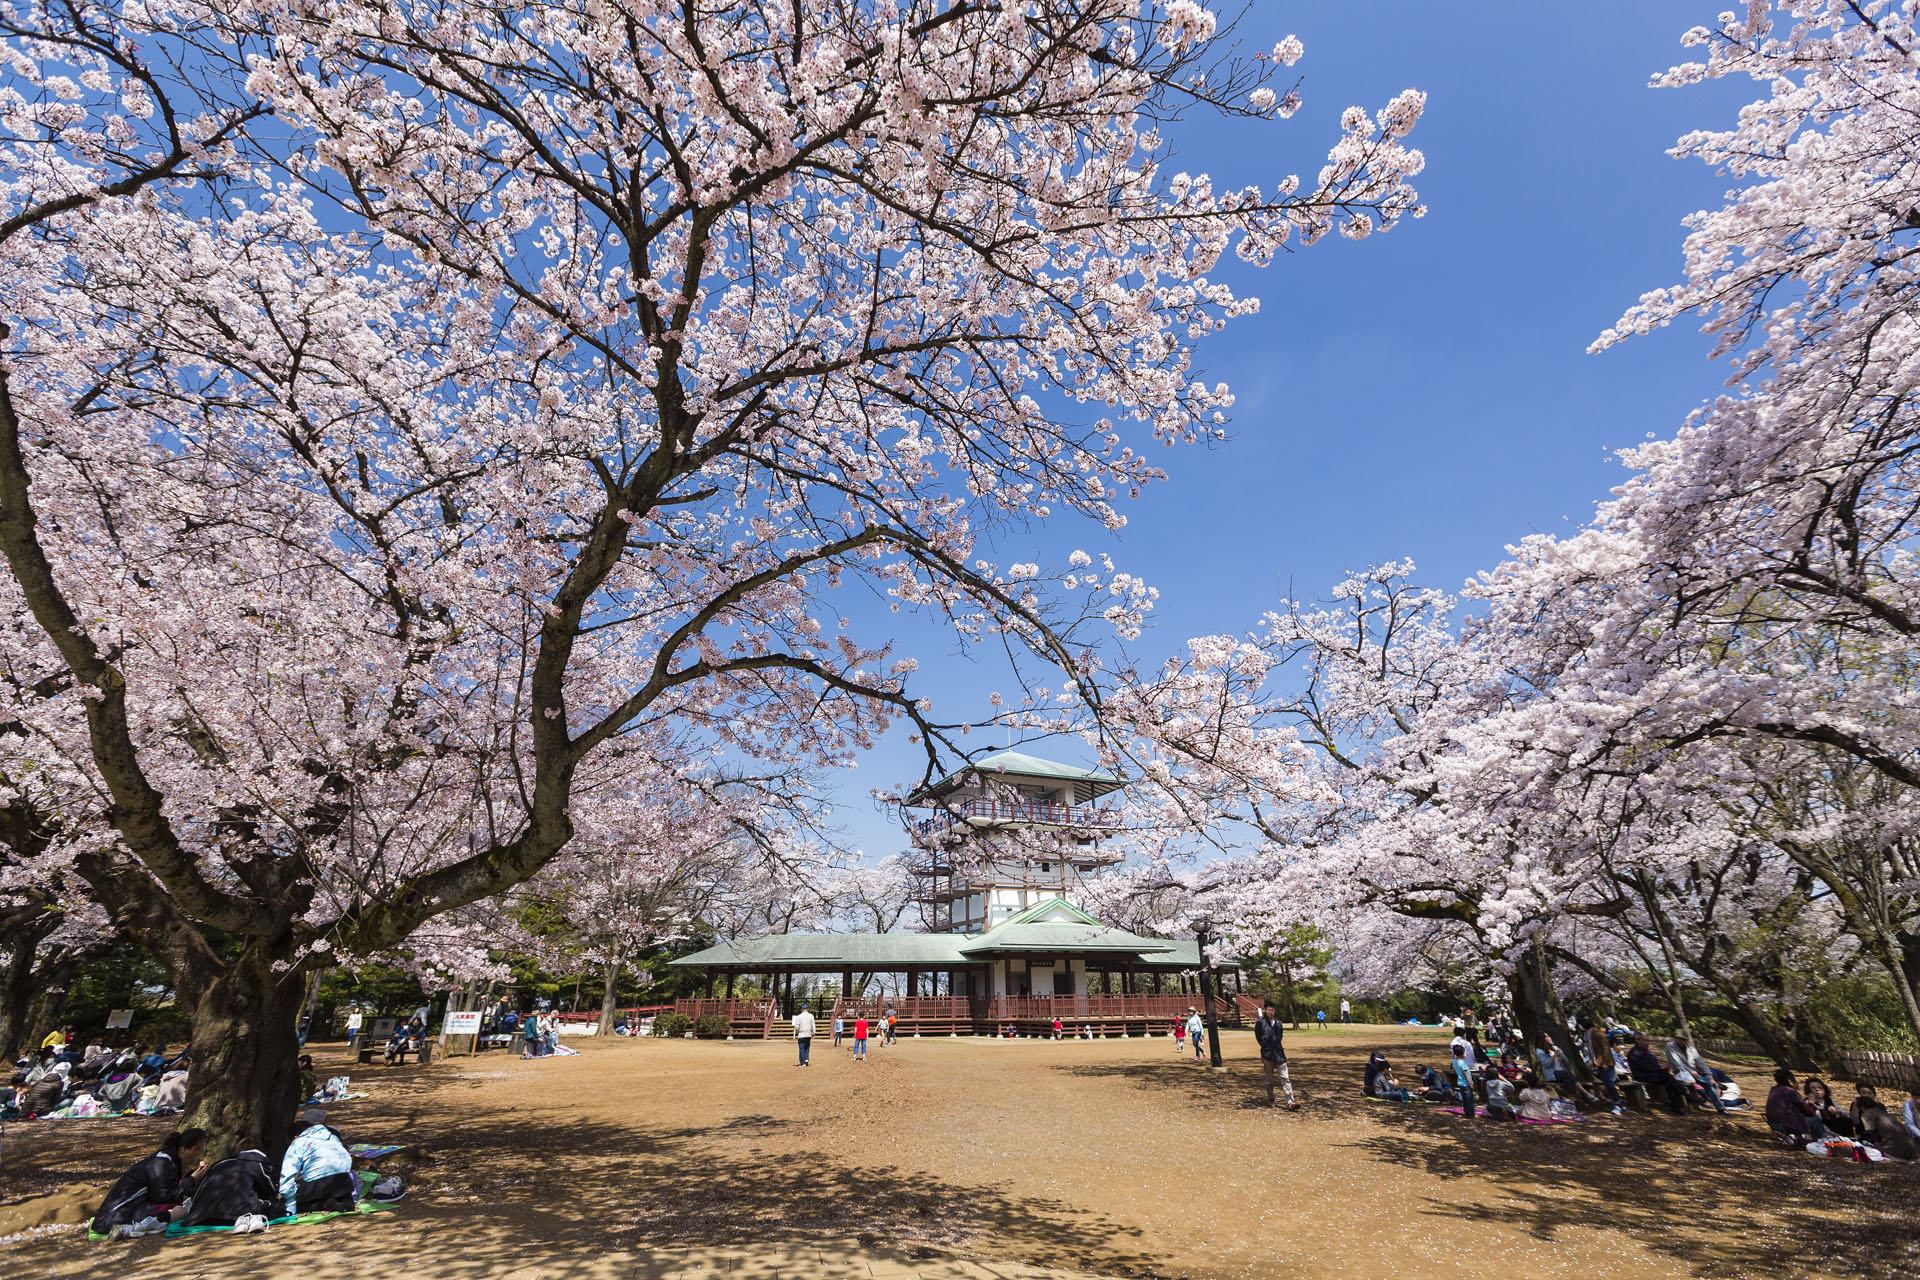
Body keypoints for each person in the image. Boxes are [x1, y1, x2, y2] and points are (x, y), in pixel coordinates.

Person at [92, 1127, 208, 1237]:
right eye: (196, 1150)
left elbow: (169, 1190)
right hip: (110, 1220)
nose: (197, 1154)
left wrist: (191, 1178)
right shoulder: (161, 1163)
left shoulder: (169, 1160)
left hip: (128, 1211)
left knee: (183, 1207)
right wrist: (192, 1180)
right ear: (183, 1149)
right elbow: (163, 1197)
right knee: (181, 1211)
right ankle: (129, 1229)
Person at [174, 1147, 285, 1230]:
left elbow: (199, 1191)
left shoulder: (219, 1164)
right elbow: (270, 1190)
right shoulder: (257, 1165)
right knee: (274, 1204)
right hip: (237, 1214)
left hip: (201, 1216)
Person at [279, 1107, 358, 1213]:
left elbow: (288, 1173)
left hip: (316, 1184)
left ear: (295, 1136)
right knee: (343, 1203)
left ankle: (324, 1205)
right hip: (343, 1182)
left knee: (304, 1206)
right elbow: (346, 1158)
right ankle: (338, 1204)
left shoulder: (299, 1142)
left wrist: (288, 1197)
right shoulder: (332, 1136)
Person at [1626, 1033, 1686, 1114]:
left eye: (1648, 1041)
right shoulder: (1634, 1052)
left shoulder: (1646, 1051)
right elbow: (1645, 1067)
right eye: (1645, 1040)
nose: (1647, 1043)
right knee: (1669, 1079)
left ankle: (1677, 1106)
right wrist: (1659, 1070)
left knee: (1670, 1081)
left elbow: (1654, 1065)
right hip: (1642, 1076)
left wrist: (1662, 1069)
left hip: (1653, 1074)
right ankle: (1683, 1096)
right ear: (1638, 1040)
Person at [1665, 1033, 1726, 1113]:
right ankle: (1695, 1102)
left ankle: (1720, 1108)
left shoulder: (1691, 1049)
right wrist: (1690, 1071)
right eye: (1679, 1039)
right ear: (1676, 1038)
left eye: (1683, 1039)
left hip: (1694, 1074)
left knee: (1708, 1084)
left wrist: (1709, 1075)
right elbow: (1677, 1063)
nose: (1681, 1041)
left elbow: (1701, 1063)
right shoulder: (1670, 1046)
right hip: (1679, 1073)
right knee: (1696, 1084)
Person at [1253, 1000, 1295, 1109]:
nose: (1271, 1012)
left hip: (1279, 1054)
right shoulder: (1260, 1023)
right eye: (1269, 1010)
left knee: (1285, 1078)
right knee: (1269, 1079)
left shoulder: (1279, 1023)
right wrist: (1265, 1046)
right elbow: (1258, 1036)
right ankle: (1271, 1098)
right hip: (1267, 1054)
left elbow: (1280, 1037)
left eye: (1272, 1010)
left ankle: (1290, 1101)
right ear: (1265, 1011)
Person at [1766, 1068, 1825, 1143]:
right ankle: (1820, 1142)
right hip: (1788, 1125)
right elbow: (1809, 1112)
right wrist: (1811, 1102)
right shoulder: (1791, 1092)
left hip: (1775, 1123)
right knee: (1815, 1119)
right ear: (1790, 1081)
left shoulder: (1774, 1089)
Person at [1586, 1024, 1624, 1115]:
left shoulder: (1597, 1033)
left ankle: (1618, 1103)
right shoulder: (1591, 1033)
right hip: (1600, 1063)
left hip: (1605, 1063)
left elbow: (1605, 1048)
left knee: (1609, 1083)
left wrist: (1605, 1062)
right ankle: (1619, 1104)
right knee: (1607, 1083)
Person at [1450, 1043, 1476, 1118]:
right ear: (1461, 1054)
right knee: (1469, 1099)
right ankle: (1471, 1114)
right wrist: (1470, 1084)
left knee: (1465, 1099)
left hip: (1460, 1083)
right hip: (1466, 1084)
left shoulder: (1454, 1062)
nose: (1466, 1054)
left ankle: (1466, 1112)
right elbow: (1466, 1074)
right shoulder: (1462, 1063)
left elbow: (1455, 1071)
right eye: (1465, 1053)